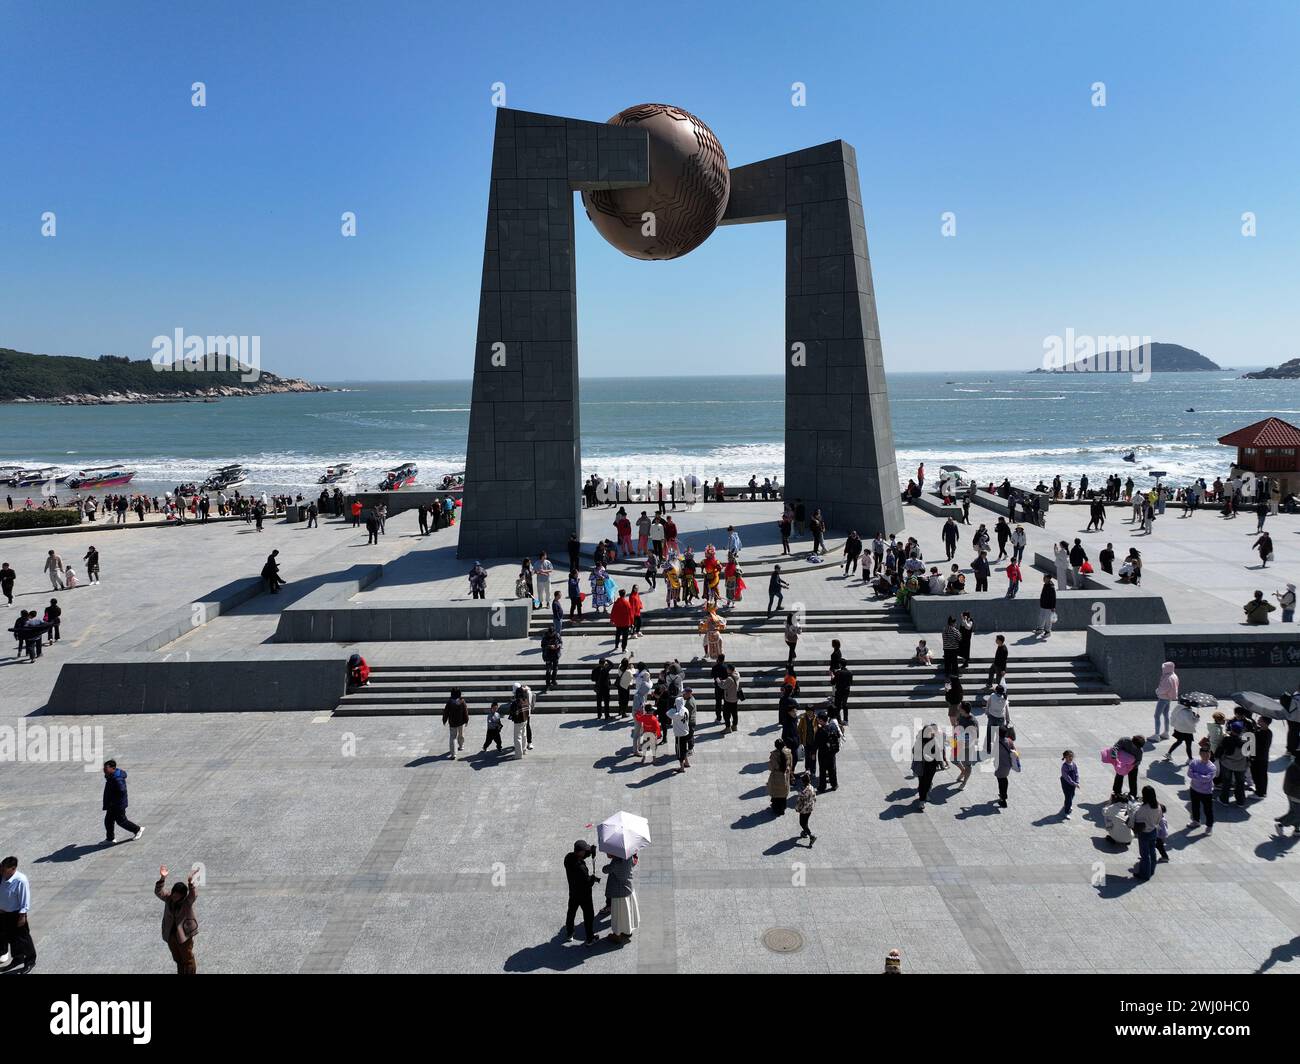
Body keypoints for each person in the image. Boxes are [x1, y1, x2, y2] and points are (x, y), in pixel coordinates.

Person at [154, 865, 199, 974]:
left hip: (184, 935)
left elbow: (193, 895)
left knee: (187, 959)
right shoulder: (169, 898)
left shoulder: (187, 902)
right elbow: (158, 892)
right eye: (174, 894)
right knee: (178, 959)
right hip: (171, 935)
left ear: (183, 896)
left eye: (177, 896)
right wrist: (162, 878)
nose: (174, 897)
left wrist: (191, 884)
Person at [0, 856, 35, 974]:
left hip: (16, 915)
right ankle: (18, 958)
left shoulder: (20, 880)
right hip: (4, 913)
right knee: (11, 938)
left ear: (13, 869)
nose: (1, 871)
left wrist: (22, 916)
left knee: (23, 939)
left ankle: (30, 961)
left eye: (4, 869)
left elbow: (25, 900)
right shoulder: (2, 877)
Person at [563, 841, 601, 945]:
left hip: (573, 892)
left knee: (571, 912)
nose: (586, 852)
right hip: (584, 895)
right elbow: (588, 883)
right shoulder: (581, 868)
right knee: (589, 916)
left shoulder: (568, 858)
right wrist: (593, 878)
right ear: (580, 852)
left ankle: (570, 933)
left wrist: (590, 853)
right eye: (585, 850)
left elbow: (581, 858)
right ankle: (590, 938)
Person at [102, 759, 142, 844]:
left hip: (118, 804)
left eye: (106, 768)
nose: (104, 770)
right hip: (112, 804)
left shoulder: (117, 779)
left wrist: (114, 801)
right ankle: (110, 839)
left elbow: (122, 791)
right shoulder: (111, 776)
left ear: (113, 768)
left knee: (121, 821)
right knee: (108, 820)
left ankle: (138, 830)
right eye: (104, 768)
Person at [602, 852, 639, 945]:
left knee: (618, 915)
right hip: (628, 888)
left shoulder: (616, 862)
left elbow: (605, 870)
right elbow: (634, 863)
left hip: (619, 892)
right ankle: (627, 931)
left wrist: (612, 858)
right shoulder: (629, 856)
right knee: (627, 913)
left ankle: (617, 935)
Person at [1131, 786, 1162, 881]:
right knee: (1152, 851)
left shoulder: (1144, 809)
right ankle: (1151, 869)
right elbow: (1158, 819)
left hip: (1144, 833)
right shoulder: (1158, 806)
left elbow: (1136, 819)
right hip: (1153, 831)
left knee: (1144, 855)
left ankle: (1144, 874)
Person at [1216, 721, 1250, 804]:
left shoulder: (1227, 739)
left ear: (1231, 729)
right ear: (1241, 731)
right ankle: (1240, 801)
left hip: (1227, 764)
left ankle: (1224, 800)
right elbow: (1249, 753)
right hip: (1241, 765)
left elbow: (1219, 751)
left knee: (1226, 782)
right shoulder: (1245, 741)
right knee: (1240, 783)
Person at [913, 723, 944, 806]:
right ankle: (921, 801)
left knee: (928, 782)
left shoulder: (934, 740)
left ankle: (925, 795)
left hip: (932, 766)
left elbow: (938, 752)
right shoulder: (920, 741)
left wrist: (941, 763)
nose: (931, 733)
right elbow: (914, 751)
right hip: (922, 765)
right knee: (922, 783)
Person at [1107, 735, 1145, 799]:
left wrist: (1131, 765)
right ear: (1132, 742)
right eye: (1136, 747)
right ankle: (1116, 792)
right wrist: (1114, 755)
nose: (1137, 748)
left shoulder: (1140, 751)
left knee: (1133, 779)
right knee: (1119, 775)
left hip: (1132, 766)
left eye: (1139, 747)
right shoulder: (1124, 740)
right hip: (1121, 762)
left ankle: (1133, 794)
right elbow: (1116, 747)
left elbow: (1138, 761)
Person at [1153, 660, 1178, 739]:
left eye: (1164, 668)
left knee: (1157, 716)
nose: (1162, 669)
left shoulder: (1167, 677)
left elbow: (1164, 689)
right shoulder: (1174, 676)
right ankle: (1166, 732)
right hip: (1169, 698)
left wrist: (1157, 691)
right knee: (1165, 715)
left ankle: (1157, 735)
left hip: (1163, 698)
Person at [994, 726, 1017, 808]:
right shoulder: (1009, 741)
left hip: (1000, 765)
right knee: (1004, 779)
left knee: (1001, 780)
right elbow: (1014, 751)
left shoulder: (997, 743)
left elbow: (993, 753)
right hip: (1008, 764)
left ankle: (1003, 799)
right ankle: (1003, 795)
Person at [767, 739, 791, 815]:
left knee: (776, 792)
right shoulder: (788, 752)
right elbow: (790, 764)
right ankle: (782, 808)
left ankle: (776, 808)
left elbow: (771, 767)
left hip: (776, 776)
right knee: (783, 793)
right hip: (785, 775)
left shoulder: (774, 755)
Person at [442, 688, 469, 759]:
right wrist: (466, 720)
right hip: (461, 722)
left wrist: (444, 720)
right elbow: (465, 712)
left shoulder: (450, 702)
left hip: (453, 722)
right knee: (461, 734)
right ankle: (461, 746)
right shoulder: (462, 701)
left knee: (453, 737)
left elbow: (446, 712)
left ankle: (453, 754)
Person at [668, 695, 692, 771]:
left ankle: (681, 767)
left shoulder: (677, 714)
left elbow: (668, 713)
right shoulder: (686, 709)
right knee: (684, 749)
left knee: (679, 751)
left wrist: (673, 708)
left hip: (679, 734)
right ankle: (687, 762)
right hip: (686, 732)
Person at [1251, 717, 1273, 798]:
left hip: (1258, 758)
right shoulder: (1268, 732)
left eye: (1260, 720)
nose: (1258, 721)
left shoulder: (1261, 734)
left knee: (1258, 775)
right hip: (1263, 757)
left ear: (1264, 722)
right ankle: (1261, 791)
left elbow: (1258, 746)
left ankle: (1260, 793)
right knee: (1261, 775)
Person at [795, 773, 818, 845]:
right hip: (810, 808)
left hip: (804, 810)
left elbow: (799, 802)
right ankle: (805, 832)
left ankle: (811, 836)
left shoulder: (802, 791)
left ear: (803, 781)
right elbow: (814, 798)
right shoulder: (812, 787)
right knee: (806, 821)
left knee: (802, 823)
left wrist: (797, 809)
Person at [510, 688, 530, 758]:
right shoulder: (526, 700)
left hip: (518, 721)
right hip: (525, 720)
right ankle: (524, 750)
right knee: (524, 735)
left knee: (518, 737)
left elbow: (513, 712)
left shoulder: (516, 702)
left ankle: (518, 754)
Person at [1060, 750, 1079, 818]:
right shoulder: (1064, 766)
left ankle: (1067, 804)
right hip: (1066, 784)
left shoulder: (1073, 764)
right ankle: (1066, 812)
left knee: (1072, 794)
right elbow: (1067, 777)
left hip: (1073, 784)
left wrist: (1077, 781)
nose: (1071, 758)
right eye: (1069, 757)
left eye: (1071, 756)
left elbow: (1076, 773)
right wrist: (1074, 783)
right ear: (1065, 757)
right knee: (1068, 797)